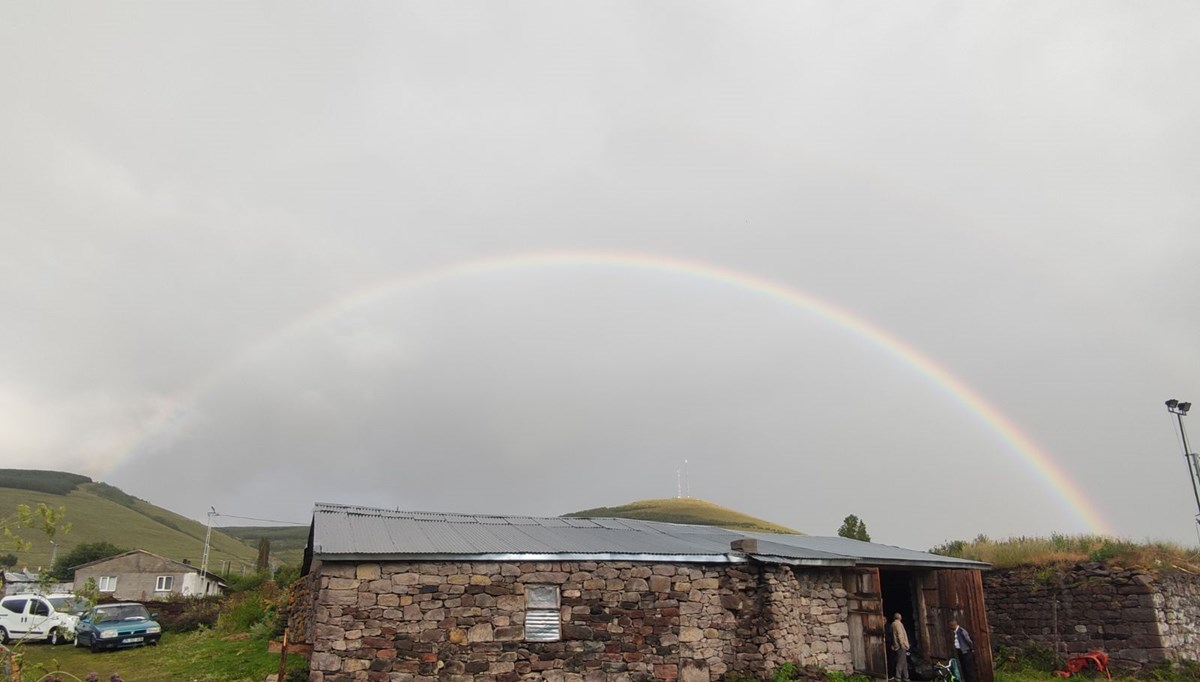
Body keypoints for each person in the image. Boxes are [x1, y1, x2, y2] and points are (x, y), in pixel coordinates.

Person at [891, 613, 911, 682]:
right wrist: (903, 644)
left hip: (898, 645)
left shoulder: (893, 624)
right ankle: (898, 677)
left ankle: (906, 677)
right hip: (900, 646)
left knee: (904, 662)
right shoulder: (898, 624)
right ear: (900, 617)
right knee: (900, 662)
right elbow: (900, 635)